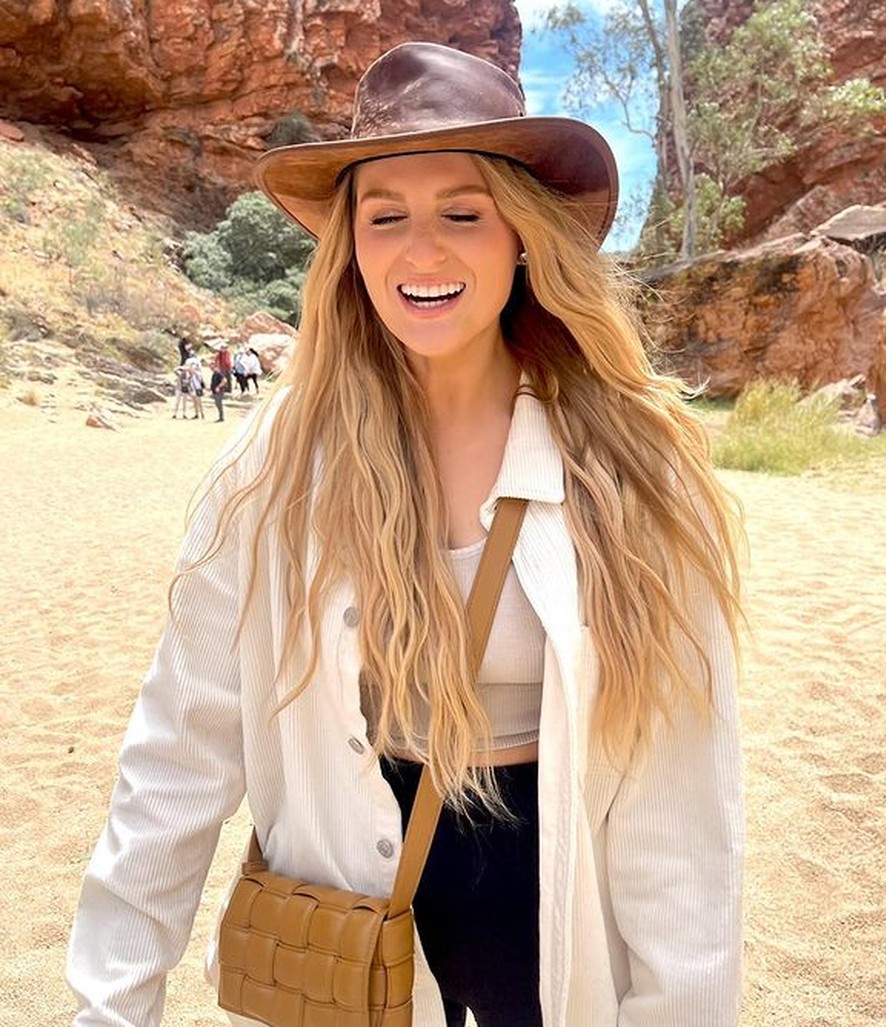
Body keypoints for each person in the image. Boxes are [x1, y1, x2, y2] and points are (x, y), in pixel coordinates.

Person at [67, 41, 744, 1027]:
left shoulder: (633, 470)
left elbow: (682, 804)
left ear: (522, 236)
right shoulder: (275, 465)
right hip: (348, 900)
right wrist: (111, 1005)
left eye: (463, 213)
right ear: (352, 246)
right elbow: (181, 744)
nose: (420, 251)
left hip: (558, 906)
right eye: (385, 216)